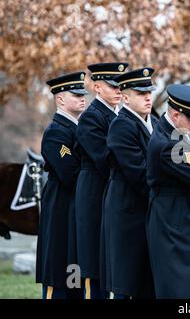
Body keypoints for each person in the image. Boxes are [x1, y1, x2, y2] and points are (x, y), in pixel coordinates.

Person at [146, 84, 190, 298]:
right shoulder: (166, 144)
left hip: (184, 219)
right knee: (178, 289)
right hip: (173, 224)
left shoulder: (179, 133)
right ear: (176, 115)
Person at [103, 68, 158, 299]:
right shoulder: (121, 125)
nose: (148, 97)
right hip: (128, 211)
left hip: (147, 209)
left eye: (149, 92)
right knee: (129, 279)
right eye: (140, 93)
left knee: (147, 280)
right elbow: (138, 171)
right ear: (125, 96)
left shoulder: (154, 121)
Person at [75, 62, 128, 299]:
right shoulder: (91, 117)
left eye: (120, 87)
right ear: (97, 87)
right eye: (112, 86)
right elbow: (104, 159)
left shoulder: (119, 114)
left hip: (113, 191)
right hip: (95, 192)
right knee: (94, 262)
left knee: (112, 259)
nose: (118, 90)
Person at [36, 72, 88, 299]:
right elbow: (71, 173)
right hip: (61, 209)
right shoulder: (56, 132)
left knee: (75, 272)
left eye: (82, 94)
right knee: (59, 275)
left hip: (76, 209)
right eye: (75, 95)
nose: (82, 98)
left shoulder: (79, 128)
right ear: (60, 99)